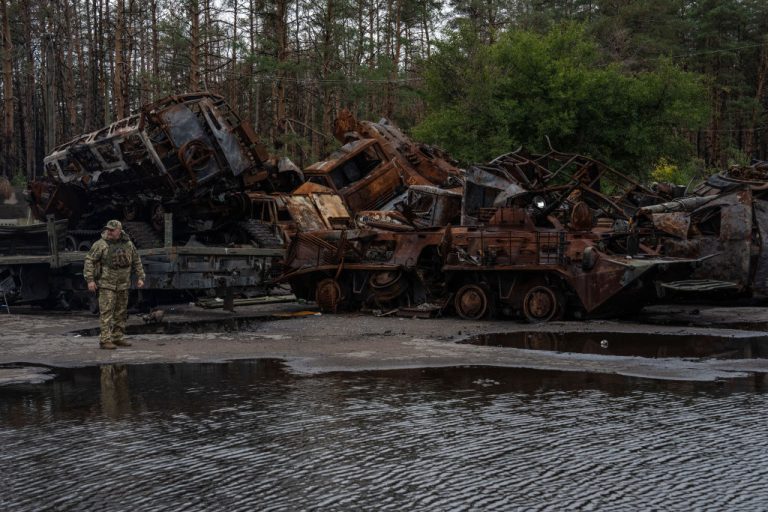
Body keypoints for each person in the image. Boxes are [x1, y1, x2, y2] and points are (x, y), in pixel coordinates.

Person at [83, 220, 145, 349]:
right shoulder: (101, 244)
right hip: (107, 284)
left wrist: (140, 277)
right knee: (106, 312)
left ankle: (117, 337)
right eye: (108, 229)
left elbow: (136, 260)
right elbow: (89, 261)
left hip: (123, 284)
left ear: (119, 230)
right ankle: (105, 340)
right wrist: (90, 280)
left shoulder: (128, 244)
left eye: (112, 230)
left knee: (121, 312)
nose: (109, 232)